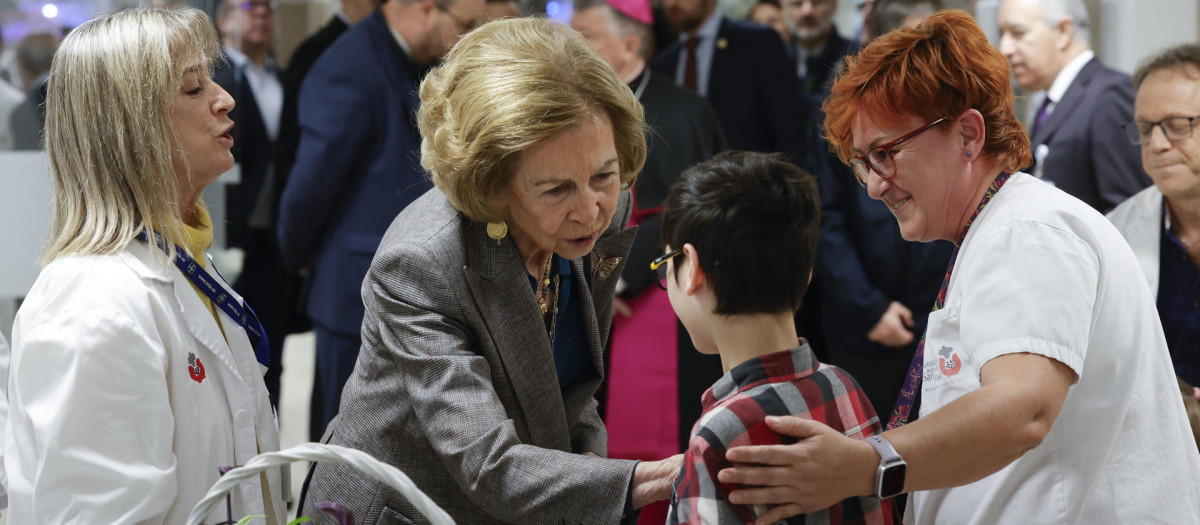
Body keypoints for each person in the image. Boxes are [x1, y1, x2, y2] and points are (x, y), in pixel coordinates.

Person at [714, 11, 1200, 524]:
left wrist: (865, 464)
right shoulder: (996, 230)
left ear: (968, 135)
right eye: (861, 164)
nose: (875, 185)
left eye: (885, 153)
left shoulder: (1028, 229)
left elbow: (1024, 410)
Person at [300, 18, 682, 523]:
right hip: (404, 510)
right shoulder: (421, 264)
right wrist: (660, 476)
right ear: (491, 183)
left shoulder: (590, 216)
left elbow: (569, 383)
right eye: (556, 189)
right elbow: (489, 465)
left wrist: (585, 457)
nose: (592, 209)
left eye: (604, 175)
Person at [6, 6, 285, 523]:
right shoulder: (92, 303)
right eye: (192, 89)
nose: (225, 101)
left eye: (213, 81)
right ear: (131, 125)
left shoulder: (182, 261)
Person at [277, 0, 487, 439]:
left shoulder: (405, 58)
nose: (464, 37)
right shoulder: (349, 66)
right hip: (355, 287)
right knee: (348, 444)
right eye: (463, 24)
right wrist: (297, 257)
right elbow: (310, 188)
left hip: (407, 281)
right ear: (427, 9)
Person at [658, 151, 891, 524]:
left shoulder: (722, 431)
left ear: (691, 268)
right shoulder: (844, 386)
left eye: (664, 265)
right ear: (807, 271)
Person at [570, 0, 726, 475]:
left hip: (656, 293)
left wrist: (617, 278)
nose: (574, 47)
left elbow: (692, 209)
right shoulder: (568, 110)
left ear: (630, 43)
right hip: (578, 289)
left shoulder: (687, 111)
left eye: (587, 37)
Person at [808, 0, 948, 457]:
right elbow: (825, 215)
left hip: (941, 312)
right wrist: (869, 308)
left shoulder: (948, 96)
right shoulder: (844, 99)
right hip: (866, 322)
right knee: (871, 460)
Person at [1107, 42, 1200, 448]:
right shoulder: (1117, 231)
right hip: (1158, 449)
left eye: (1178, 124)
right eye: (1146, 129)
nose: (1158, 144)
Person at [214, 0, 296, 411]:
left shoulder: (283, 78)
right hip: (223, 239)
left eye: (268, 6)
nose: (262, 13)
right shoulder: (213, 79)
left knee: (269, 360)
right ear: (224, 20)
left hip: (273, 243)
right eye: (249, 5)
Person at [997, 0, 1149, 213]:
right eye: (1001, 34)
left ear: (1063, 31)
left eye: (1018, 33)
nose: (1005, 48)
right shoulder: (1049, 102)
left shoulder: (1109, 95)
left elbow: (1130, 211)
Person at [653, 0, 805, 164]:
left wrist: (784, 183)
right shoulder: (663, 64)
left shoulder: (758, 41)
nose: (671, 3)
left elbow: (789, 128)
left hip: (752, 179)